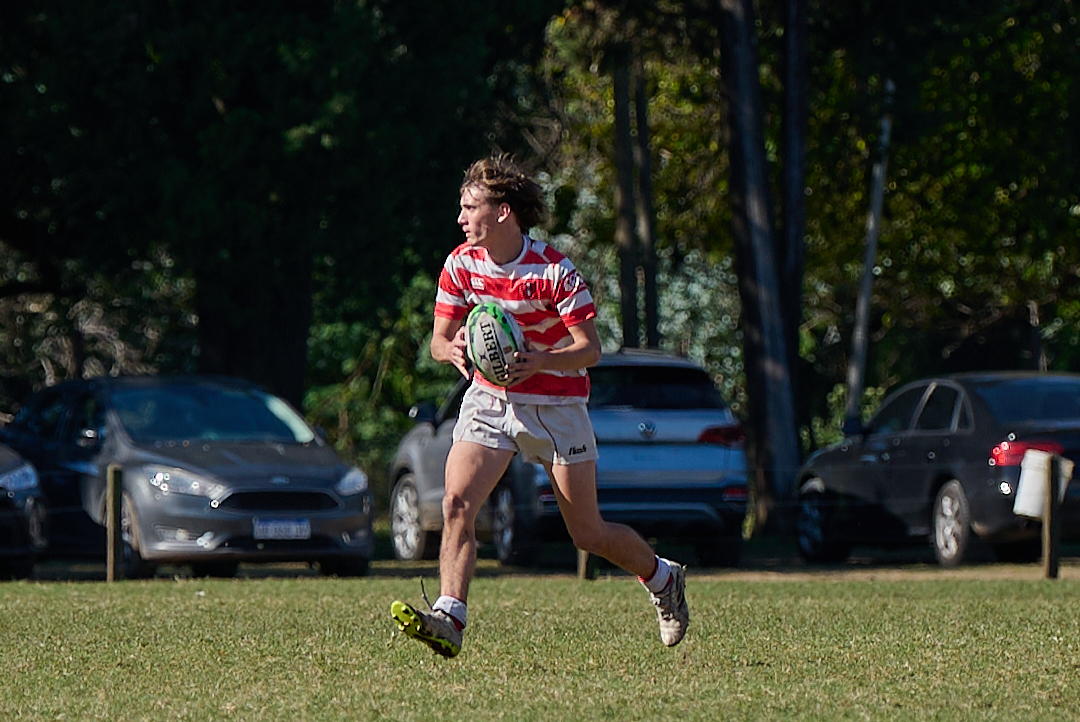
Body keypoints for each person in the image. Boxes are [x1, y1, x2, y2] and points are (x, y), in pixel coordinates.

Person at [390, 154, 688, 658]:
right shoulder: (460, 265)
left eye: (470, 207)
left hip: (556, 405)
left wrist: (542, 359)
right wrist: (453, 348)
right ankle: (450, 617)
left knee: (587, 532)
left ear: (503, 211)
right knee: (456, 503)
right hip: (489, 398)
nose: (461, 219)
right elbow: (438, 340)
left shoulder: (553, 271)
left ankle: (663, 578)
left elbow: (590, 348)